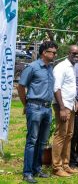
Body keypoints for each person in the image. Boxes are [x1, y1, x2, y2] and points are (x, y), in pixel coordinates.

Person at [18, 41, 58, 183]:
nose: (54, 54)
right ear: (43, 52)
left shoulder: (50, 68)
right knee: (32, 141)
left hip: (47, 109)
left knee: (42, 142)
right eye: (51, 52)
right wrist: (26, 104)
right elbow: (21, 86)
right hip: (34, 107)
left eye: (55, 52)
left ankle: (37, 169)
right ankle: (27, 172)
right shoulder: (33, 67)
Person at [52, 45, 78, 177]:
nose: (76, 56)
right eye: (74, 53)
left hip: (71, 105)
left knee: (69, 135)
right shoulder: (61, 67)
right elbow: (56, 88)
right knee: (60, 135)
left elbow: (69, 88)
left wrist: (75, 103)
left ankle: (65, 164)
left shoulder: (73, 67)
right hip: (62, 106)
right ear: (68, 53)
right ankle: (56, 167)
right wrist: (62, 108)